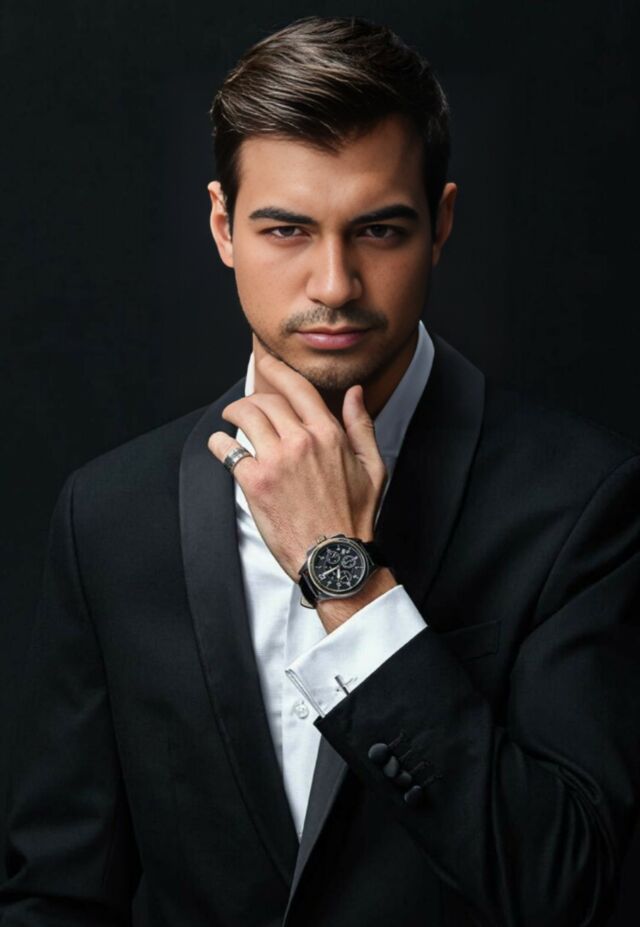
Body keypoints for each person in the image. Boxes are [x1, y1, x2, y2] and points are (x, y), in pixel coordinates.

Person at [1, 14, 639, 927]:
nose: (334, 284)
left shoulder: (584, 502)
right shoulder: (109, 514)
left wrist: (348, 580)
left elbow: (568, 888)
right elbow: (57, 895)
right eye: (287, 229)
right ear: (223, 226)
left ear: (440, 223)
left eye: (378, 229)